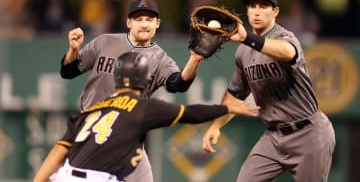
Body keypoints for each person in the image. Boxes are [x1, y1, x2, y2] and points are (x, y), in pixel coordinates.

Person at [34, 0, 207, 182]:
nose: (144, 24)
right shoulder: (104, 42)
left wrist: (195, 60)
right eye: (139, 19)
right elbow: (68, 71)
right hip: (93, 129)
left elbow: (178, 84)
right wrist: (73, 51)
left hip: (128, 134)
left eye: (149, 19)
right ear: (128, 22)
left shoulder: (161, 59)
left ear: (157, 24)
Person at [44, 52, 261, 182]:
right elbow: (192, 114)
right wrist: (226, 108)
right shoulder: (142, 107)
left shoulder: (93, 109)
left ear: (117, 78)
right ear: (146, 81)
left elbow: (58, 152)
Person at [202, 0, 336, 182]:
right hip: (273, 138)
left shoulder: (284, 37)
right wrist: (216, 125)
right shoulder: (243, 52)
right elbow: (235, 94)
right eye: (252, 6)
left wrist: (247, 37)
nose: (256, 11)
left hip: (309, 133)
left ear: (275, 12)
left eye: (263, 6)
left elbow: (288, 52)